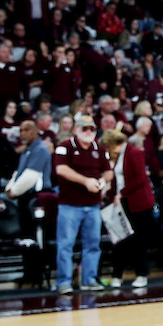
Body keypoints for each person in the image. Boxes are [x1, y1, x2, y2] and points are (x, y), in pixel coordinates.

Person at [52, 115, 113, 294]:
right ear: (76, 130)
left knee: (93, 244)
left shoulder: (100, 148)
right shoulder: (65, 147)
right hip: (70, 204)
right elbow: (61, 169)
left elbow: (109, 171)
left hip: (93, 205)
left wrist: (102, 181)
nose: (88, 132)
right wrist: (86, 181)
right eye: (84, 128)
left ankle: (89, 279)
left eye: (91, 129)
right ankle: (64, 282)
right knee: (66, 244)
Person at [100, 130, 156, 288]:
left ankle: (141, 275)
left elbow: (140, 178)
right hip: (121, 203)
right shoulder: (117, 156)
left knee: (139, 240)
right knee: (119, 239)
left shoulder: (134, 153)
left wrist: (122, 193)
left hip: (139, 203)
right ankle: (117, 275)